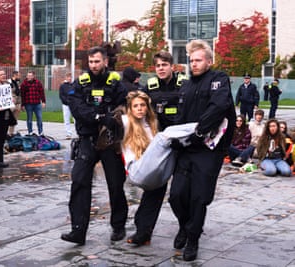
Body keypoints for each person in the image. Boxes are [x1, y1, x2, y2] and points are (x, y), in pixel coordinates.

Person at [168, 39, 236, 261]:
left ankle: (193, 239)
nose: (193, 64)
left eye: (198, 60)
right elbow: (179, 115)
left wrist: (199, 132)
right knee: (176, 195)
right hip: (187, 149)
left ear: (209, 61)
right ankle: (185, 226)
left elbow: (218, 107)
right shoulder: (186, 85)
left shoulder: (219, 80)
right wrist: (174, 136)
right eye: (191, 61)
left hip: (208, 149)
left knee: (199, 197)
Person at [60, 46, 128, 245]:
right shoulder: (81, 83)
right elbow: (76, 106)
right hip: (87, 140)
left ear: (105, 61)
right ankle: (78, 231)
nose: (94, 65)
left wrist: (111, 118)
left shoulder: (116, 83)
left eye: (97, 61)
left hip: (109, 141)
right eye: (90, 62)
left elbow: (123, 105)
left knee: (116, 184)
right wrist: (98, 116)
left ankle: (118, 225)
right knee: (80, 182)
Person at [126, 51, 185, 246]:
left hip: (184, 146)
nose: (161, 68)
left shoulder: (184, 85)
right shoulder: (149, 88)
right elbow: (136, 104)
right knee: (154, 189)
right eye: (158, 65)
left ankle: (186, 229)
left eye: (164, 65)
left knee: (180, 193)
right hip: (161, 147)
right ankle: (143, 231)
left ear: (172, 67)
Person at [0, 69, 16, 168]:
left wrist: (11, 99)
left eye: (4, 74)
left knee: (1, 138)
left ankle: (0, 159)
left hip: (5, 114)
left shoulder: (6, 86)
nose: (3, 76)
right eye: (1, 74)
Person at [20, 71, 46, 135]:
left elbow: (42, 92)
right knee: (29, 119)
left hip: (37, 104)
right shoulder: (24, 84)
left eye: (31, 76)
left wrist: (43, 101)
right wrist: (22, 104)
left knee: (39, 118)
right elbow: (22, 95)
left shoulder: (38, 83)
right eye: (28, 76)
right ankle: (30, 132)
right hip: (28, 104)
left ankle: (41, 132)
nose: (29, 77)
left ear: (33, 76)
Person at [59, 72, 74, 139]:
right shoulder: (62, 86)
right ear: (66, 78)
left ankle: (79, 133)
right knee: (66, 119)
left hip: (73, 105)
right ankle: (68, 133)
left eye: (70, 77)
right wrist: (67, 102)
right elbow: (61, 96)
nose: (69, 78)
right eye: (68, 77)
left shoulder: (73, 85)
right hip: (66, 105)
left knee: (76, 119)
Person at [8, 70, 22, 136]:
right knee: (8, 118)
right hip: (11, 103)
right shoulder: (9, 82)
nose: (20, 77)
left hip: (18, 104)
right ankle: (6, 133)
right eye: (19, 75)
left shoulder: (18, 83)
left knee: (14, 120)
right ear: (15, 75)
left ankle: (11, 133)